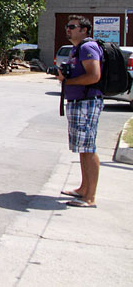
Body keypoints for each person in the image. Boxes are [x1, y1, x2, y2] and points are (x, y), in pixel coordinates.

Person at [57, 15, 103, 208]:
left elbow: (94, 75)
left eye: (72, 27)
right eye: (67, 26)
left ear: (84, 30)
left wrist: (68, 81)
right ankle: (84, 189)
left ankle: (90, 197)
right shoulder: (78, 49)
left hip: (87, 101)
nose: (68, 29)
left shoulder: (87, 47)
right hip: (78, 101)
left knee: (88, 148)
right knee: (82, 149)